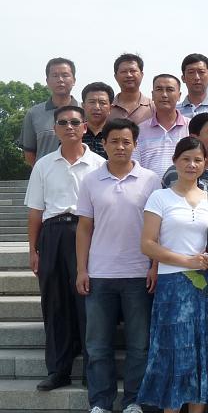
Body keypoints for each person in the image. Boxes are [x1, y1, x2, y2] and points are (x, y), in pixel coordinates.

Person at [138, 137, 208, 412]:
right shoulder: (160, 198)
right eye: (186, 159)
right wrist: (187, 261)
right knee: (174, 353)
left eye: (197, 160)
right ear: (175, 162)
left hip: (207, 287)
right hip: (173, 286)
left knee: (204, 352)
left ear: (205, 163)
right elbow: (147, 244)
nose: (192, 165)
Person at [75, 118, 161, 413]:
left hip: (139, 274)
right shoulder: (90, 180)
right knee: (97, 345)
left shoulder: (151, 180)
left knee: (139, 345)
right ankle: (100, 402)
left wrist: (155, 265)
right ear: (104, 144)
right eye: (114, 141)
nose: (120, 147)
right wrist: (82, 269)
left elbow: (158, 229)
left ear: (136, 144)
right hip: (100, 274)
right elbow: (84, 228)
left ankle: (133, 401)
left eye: (127, 142)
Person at [24, 105, 106, 391]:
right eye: (63, 123)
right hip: (53, 234)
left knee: (89, 304)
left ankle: (92, 371)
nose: (69, 127)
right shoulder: (43, 165)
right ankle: (58, 370)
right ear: (55, 129)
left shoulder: (100, 165)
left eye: (74, 122)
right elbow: (35, 212)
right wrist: (33, 250)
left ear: (85, 127)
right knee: (55, 303)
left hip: (89, 233)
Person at [19, 57, 79, 165]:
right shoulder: (33, 114)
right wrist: (42, 172)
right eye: (55, 76)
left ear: (74, 80)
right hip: (46, 174)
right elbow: (29, 153)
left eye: (65, 75)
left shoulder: (85, 111)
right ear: (47, 81)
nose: (60, 80)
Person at [133, 74, 190, 178]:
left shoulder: (190, 127)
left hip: (183, 187)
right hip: (149, 187)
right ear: (152, 95)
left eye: (170, 90)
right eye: (159, 89)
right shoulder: (140, 130)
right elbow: (135, 166)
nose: (164, 95)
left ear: (179, 95)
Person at [109, 53, 154, 124]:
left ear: (142, 75)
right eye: (124, 72)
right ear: (115, 77)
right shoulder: (108, 107)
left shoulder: (153, 107)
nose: (129, 75)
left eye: (133, 71)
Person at [178, 53, 208, 118]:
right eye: (191, 72)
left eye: (201, 72)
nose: (197, 77)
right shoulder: (175, 111)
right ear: (183, 78)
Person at [81, 82, 114, 159]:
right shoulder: (74, 132)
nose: (97, 107)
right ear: (83, 106)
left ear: (110, 108)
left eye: (102, 103)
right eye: (92, 102)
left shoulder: (115, 134)